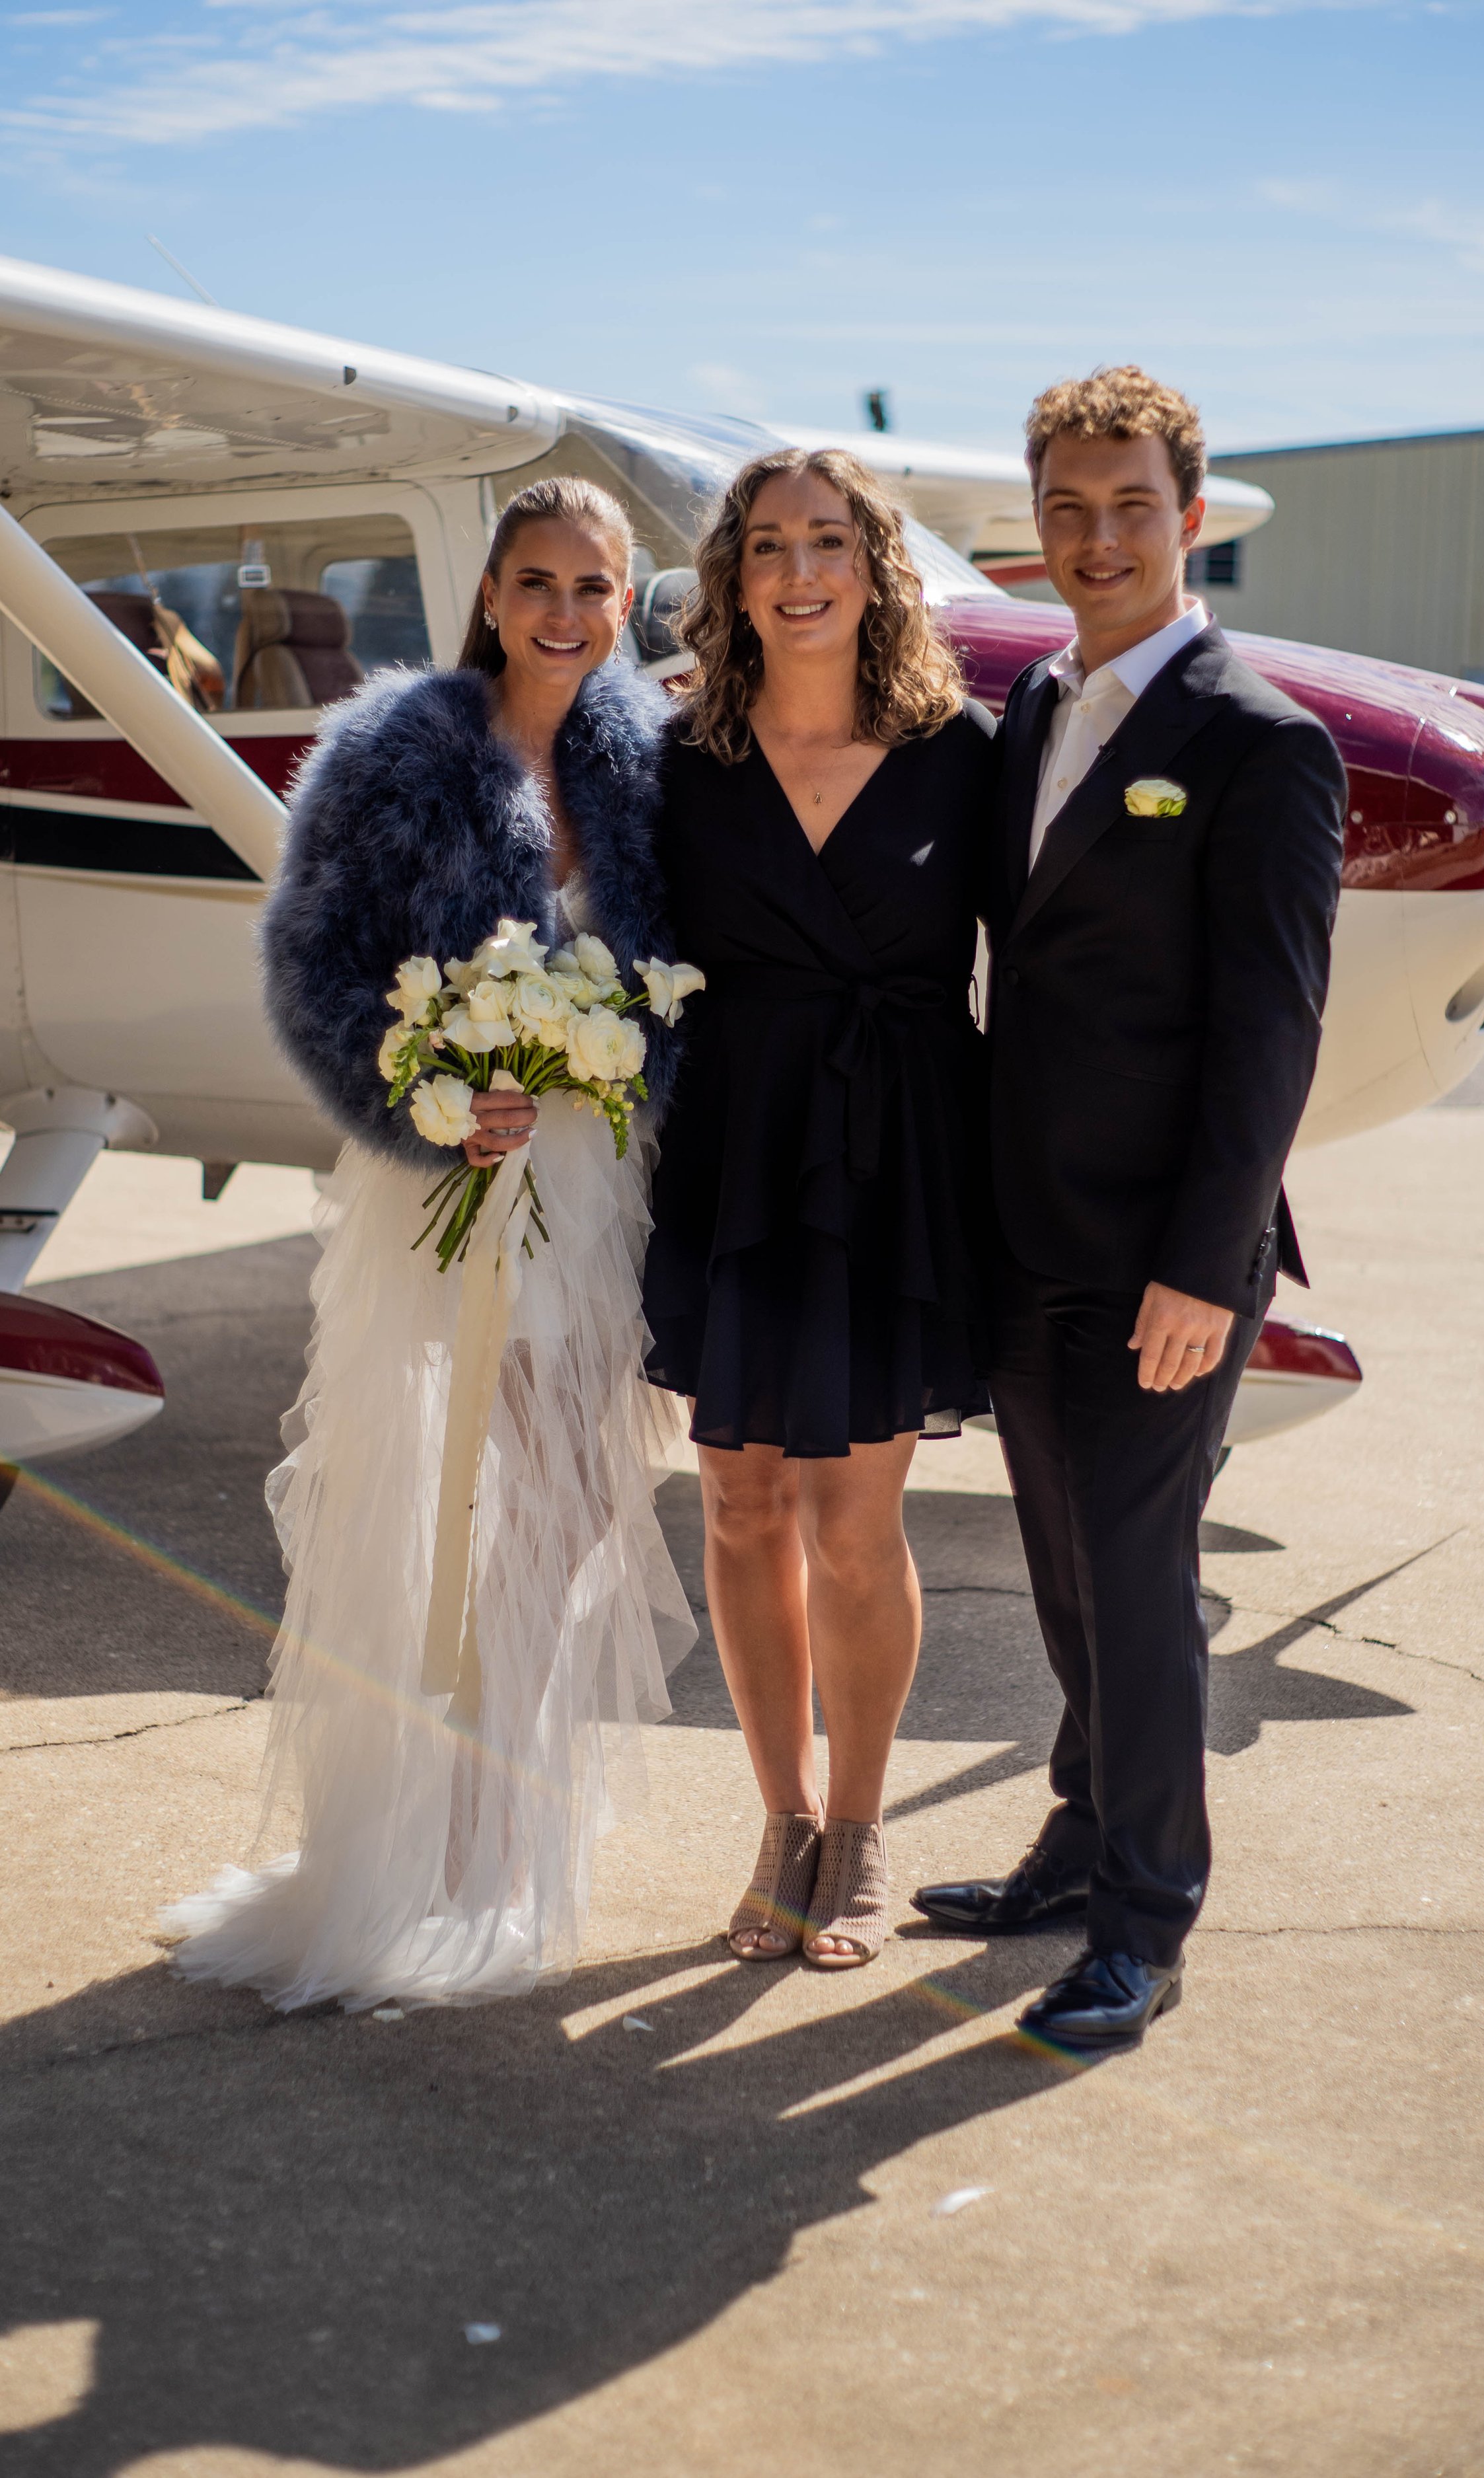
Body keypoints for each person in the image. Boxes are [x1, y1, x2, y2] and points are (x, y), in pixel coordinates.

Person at [163, 477, 696, 2011]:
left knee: (574, 1504)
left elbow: (687, 970)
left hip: (605, 1185)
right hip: (454, 1180)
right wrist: (429, 1101)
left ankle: (487, 1818)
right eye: (536, 582)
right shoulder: (391, 751)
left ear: (621, 602)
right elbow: (311, 964)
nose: (563, 613)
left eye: (592, 587)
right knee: (449, 1499)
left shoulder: (648, 764)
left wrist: (631, 1061)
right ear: (491, 593)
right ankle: (428, 1851)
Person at [912, 369, 1345, 2050]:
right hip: (1025, 1232)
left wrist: (1202, 1269)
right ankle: (1080, 1838)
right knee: (1064, 1573)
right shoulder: (1031, 709)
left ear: (1190, 518)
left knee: (1139, 1584)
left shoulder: (1260, 742)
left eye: (1130, 508)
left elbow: (1268, 1038)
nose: (1096, 539)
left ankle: (1145, 1920)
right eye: (1066, 510)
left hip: (1163, 1259)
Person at [643, 447, 997, 1970]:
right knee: (737, 1504)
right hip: (730, 1157)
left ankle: (857, 1829)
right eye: (769, 546)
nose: (800, 572)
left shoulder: (961, 753)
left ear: (874, 566)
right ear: (733, 579)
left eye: (828, 542)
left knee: (852, 1518)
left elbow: (1047, 970)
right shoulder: (679, 760)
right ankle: (779, 1820)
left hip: (894, 1163)